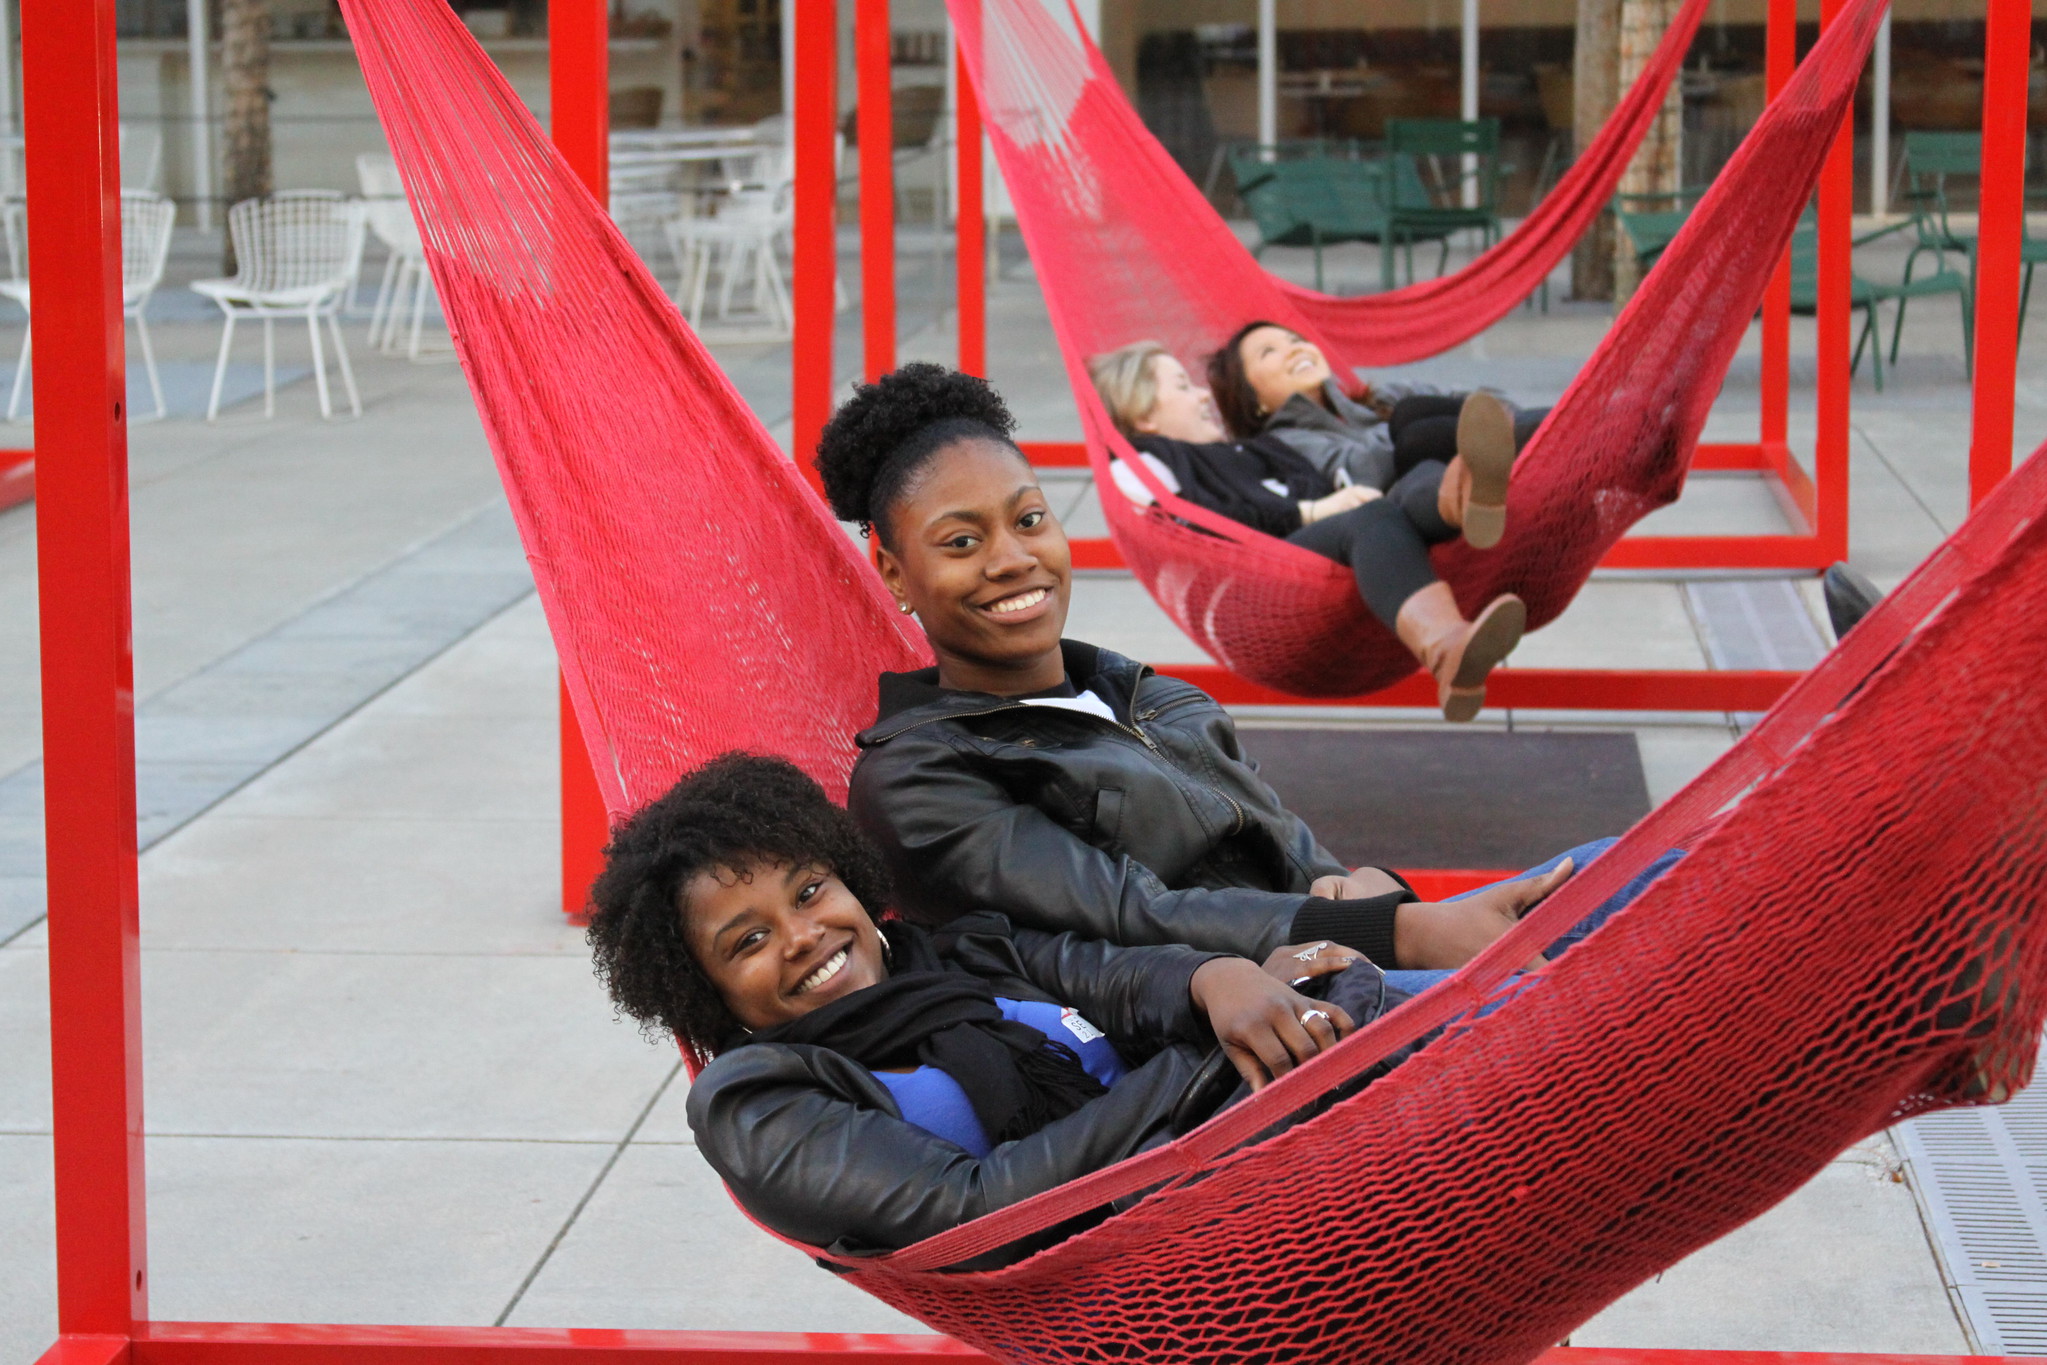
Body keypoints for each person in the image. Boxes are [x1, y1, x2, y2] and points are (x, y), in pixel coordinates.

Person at [813, 361, 1655, 975]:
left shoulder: (1140, 690)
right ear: (895, 573)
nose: (1013, 559)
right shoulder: (917, 775)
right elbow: (1129, 913)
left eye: (1029, 520)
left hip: (1355, 957)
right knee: (1617, 964)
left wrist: (1363, 891)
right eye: (962, 543)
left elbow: (1291, 846)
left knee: (1654, 865)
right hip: (1258, 1033)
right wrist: (1396, 933)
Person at [586, 751, 1595, 1261]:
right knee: (1570, 991)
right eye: (748, 940)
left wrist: (1215, 984)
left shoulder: (948, 953)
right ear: (701, 988)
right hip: (1190, 1233)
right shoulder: (761, 1104)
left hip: (1278, 1114)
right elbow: (974, 1210)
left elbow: (1102, 970)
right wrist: (1209, 1069)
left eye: (808, 891)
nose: (803, 935)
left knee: (1593, 892)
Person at [1087, 340, 1526, 720]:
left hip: (1340, 551)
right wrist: (1309, 511)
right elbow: (1190, 531)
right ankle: (1447, 647)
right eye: (1183, 386)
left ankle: (1469, 497)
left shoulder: (1255, 451)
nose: (1204, 397)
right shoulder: (1144, 465)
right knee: (1372, 516)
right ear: (1141, 415)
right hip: (1261, 585)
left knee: (1410, 480)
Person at [1206, 320, 1548, 554]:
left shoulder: (1387, 396)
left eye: (1295, 340)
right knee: (1414, 429)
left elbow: (1491, 404)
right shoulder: (1284, 444)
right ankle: (1521, 449)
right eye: (1269, 352)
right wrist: (1407, 430)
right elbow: (1365, 470)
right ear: (1252, 400)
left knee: (1412, 413)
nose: (1295, 350)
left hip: (1501, 478)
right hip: (1414, 514)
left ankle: (1560, 432)